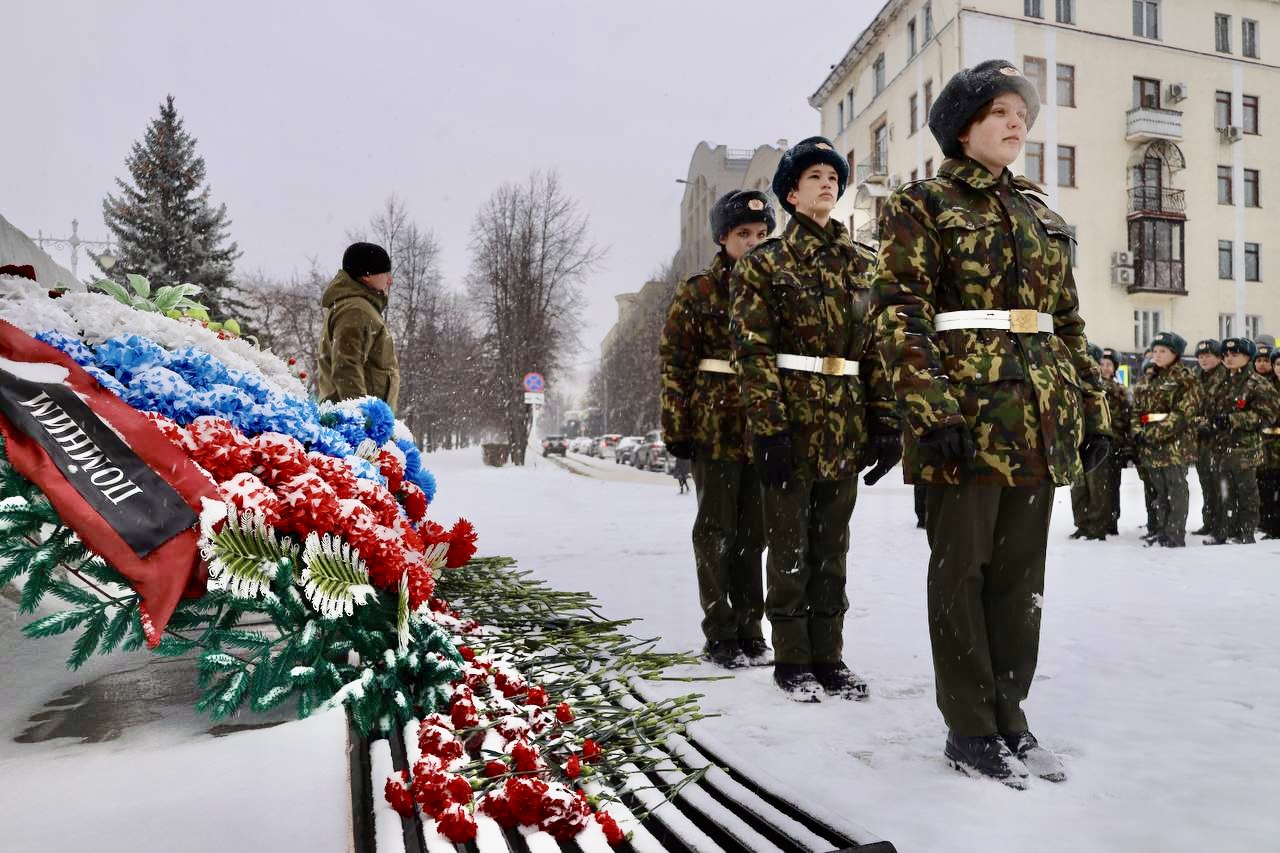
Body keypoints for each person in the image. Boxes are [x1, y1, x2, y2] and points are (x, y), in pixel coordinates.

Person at [874, 60, 1110, 787]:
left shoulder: (1043, 215)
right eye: (1002, 111)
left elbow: (1067, 322)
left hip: (1037, 418)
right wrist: (929, 408)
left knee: (1019, 576)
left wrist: (1093, 409)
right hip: (966, 417)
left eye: (1023, 116)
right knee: (962, 571)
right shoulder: (924, 204)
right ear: (964, 123)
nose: (1017, 125)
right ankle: (970, 724)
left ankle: (1011, 714)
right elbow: (898, 310)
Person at [732, 137, 900, 703]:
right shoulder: (765, 263)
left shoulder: (863, 264)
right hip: (792, 422)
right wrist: (770, 429)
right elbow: (752, 353)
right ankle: (792, 659)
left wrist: (886, 420)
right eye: (814, 176)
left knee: (833, 546)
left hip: (846, 425)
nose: (827, 182)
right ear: (790, 192)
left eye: (833, 175)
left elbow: (876, 347)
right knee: (789, 547)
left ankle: (829, 656)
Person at [659, 190, 774, 669]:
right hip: (714, 424)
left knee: (756, 533)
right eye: (743, 234)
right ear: (723, 237)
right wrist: (676, 424)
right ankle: (720, 630)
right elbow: (674, 362)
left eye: (762, 234)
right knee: (715, 531)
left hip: (763, 424)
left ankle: (751, 628)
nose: (753, 242)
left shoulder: (776, 286)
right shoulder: (700, 289)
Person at [1201, 338, 1280, 545]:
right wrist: (1206, 425)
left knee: (1246, 492)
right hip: (1219, 447)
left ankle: (1245, 533)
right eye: (1226, 355)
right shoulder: (1220, 382)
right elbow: (1208, 410)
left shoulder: (1257, 383)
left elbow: (1267, 415)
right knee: (1223, 491)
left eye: (1235, 354)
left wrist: (1232, 420)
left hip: (1244, 447)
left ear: (1247, 357)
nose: (1229, 358)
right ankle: (1223, 530)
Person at [1131, 332, 1199, 548]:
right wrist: (1137, 431)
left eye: (1163, 351)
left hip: (1174, 444)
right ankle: (1161, 529)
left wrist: (1155, 433)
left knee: (1175, 489)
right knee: (1159, 490)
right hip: (1150, 445)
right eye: (1155, 351)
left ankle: (1174, 532)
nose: (1157, 355)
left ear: (1175, 354)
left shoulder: (1185, 377)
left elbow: (1183, 412)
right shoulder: (1150, 376)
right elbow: (1136, 408)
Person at [317, 242, 401, 412]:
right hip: (356, 424)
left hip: (357, 418)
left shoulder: (357, 306)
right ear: (367, 275)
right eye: (385, 273)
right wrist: (361, 416)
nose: (390, 280)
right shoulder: (356, 310)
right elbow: (346, 366)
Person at [1069, 345, 1118, 540]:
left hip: (1096, 440)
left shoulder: (1101, 386)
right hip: (1078, 441)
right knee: (1078, 487)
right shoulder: (1074, 382)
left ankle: (1097, 527)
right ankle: (1082, 524)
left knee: (1097, 488)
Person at [1191, 340, 1225, 536]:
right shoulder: (1197, 378)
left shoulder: (1224, 377)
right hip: (1200, 441)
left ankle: (1221, 523)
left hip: (1219, 440)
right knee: (1206, 483)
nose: (1203, 360)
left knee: (1219, 485)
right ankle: (1209, 521)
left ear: (1219, 357)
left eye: (1208, 356)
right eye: (1200, 356)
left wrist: (1209, 423)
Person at [1099, 348, 1131, 535]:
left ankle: (1112, 522)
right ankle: (1099, 521)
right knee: (1097, 486)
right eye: (1102, 364)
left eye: (1109, 365)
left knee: (1112, 485)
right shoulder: (1091, 387)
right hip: (1095, 444)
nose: (1104, 368)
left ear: (1115, 368)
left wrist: (1127, 448)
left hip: (1114, 444)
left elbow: (1127, 420)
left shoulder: (1120, 391)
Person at [1261, 348, 1280, 539]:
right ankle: (1271, 527)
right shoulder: (1266, 385)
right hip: (1268, 446)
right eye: (1278, 364)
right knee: (1268, 487)